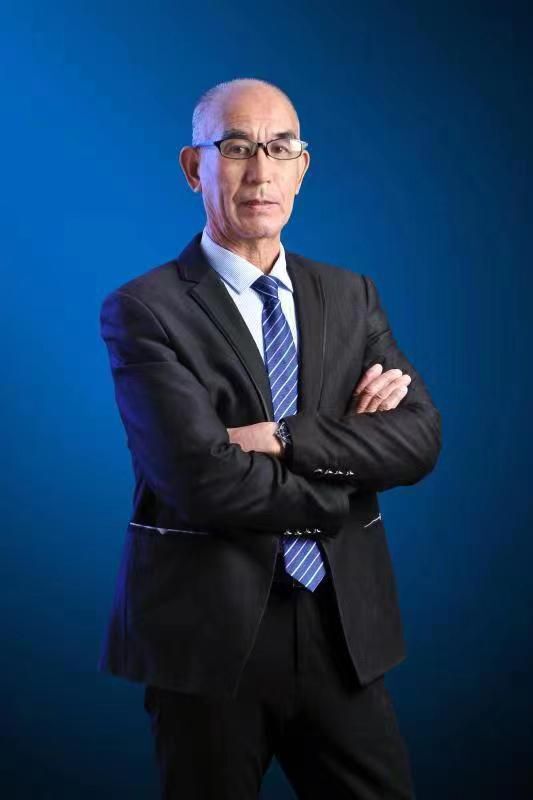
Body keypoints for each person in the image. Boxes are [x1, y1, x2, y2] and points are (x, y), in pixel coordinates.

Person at [97, 77, 441, 799]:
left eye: (280, 148)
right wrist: (344, 484)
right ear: (194, 168)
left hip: (343, 632)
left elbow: (417, 439)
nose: (260, 171)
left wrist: (285, 437)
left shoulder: (351, 295)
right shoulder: (144, 309)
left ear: (301, 168)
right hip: (209, 639)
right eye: (235, 148)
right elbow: (201, 479)